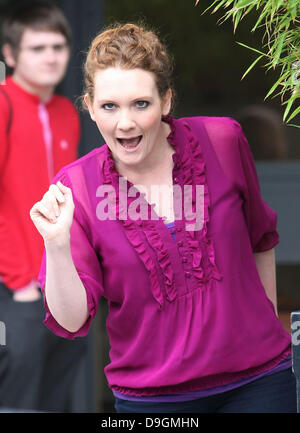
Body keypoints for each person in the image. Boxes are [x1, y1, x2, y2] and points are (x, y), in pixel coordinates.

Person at [30, 23, 297, 413]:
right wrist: (55, 244)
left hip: (259, 384)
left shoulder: (222, 142)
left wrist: (267, 326)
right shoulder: (78, 189)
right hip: (154, 401)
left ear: (166, 100)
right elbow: (70, 321)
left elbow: (261, 239)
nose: (126, 123)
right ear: (89, 106)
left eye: (141, 103)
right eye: (109, 106)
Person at [0, 1, 87, 412]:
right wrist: (18, 281)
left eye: (58, 46)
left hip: (63, 284)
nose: (51, 56)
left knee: (57, 398)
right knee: (18, 403)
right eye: (37, 48)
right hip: (16, 291)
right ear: (10, 54)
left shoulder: (66, 111)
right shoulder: (4, 104)